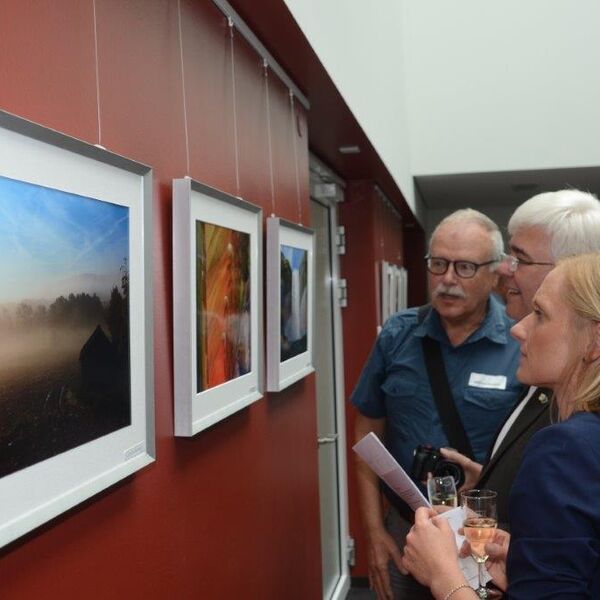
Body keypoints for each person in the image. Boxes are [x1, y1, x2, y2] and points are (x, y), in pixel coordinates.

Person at [402, 252, 600, 599]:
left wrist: (444, 575)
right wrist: (530, 561)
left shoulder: (565, 448)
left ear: (594, 342)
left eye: (540, 315)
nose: (518, 329)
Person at [351, 209, 523, 600]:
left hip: (484, 532)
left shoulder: (520, 342)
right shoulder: (398, 334)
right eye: (438, 264)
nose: (447, 280)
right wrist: (375, 532)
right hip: (407, 524)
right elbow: (365, 434)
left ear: (496, 272)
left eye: (464, 267)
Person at [441, 189, 600, 528]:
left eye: (520, 259)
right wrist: (492, 478)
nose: (503, 269)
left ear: (570, 272)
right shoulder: (547, 369)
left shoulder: (575, 397)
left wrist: (447, 577)